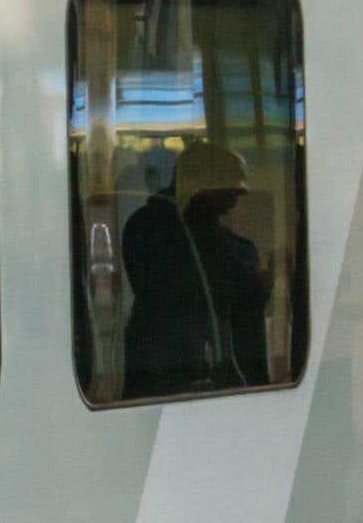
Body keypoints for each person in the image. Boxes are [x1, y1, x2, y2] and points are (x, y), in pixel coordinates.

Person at [110, 140, 272, 397]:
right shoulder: (158, 229)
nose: (236, 200)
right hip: (172, 373)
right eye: (229, 190)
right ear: (202, 185)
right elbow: (183, 291)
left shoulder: (146, 225)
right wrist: (254, 283)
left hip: (167, 370)